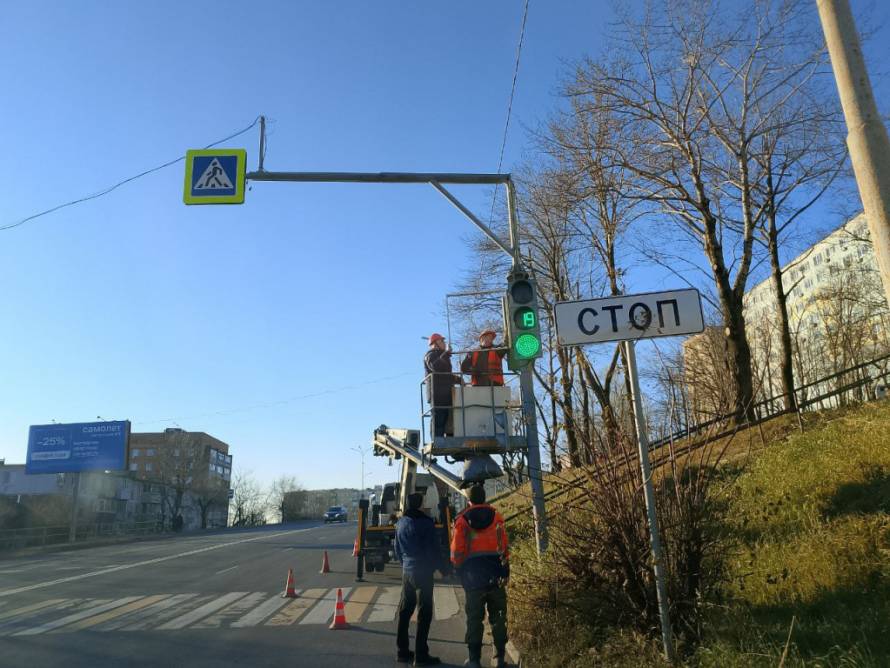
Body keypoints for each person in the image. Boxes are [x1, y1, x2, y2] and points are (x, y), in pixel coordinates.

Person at [450, 485, 510, 668]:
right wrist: (505, 570)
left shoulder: (462, 521)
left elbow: (456, 553)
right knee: (499, 617)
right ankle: (499, 658)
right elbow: (504, 547)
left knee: (475, 619)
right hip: (495, 576)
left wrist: (458, 569)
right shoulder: (497, 517)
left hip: (473, 579)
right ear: (484, 498)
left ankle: (474, 660)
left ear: (469, 501)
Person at [395, 492, 443, 666]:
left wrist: (405, 565)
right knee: (425, 612)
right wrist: (440, 568)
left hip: (407, 571)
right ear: (421, 504)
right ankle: (421, 655)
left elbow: (397, 549)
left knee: (405, 611)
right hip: (423, 571)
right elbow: (433, 549)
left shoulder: (400, 523)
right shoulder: (426, 523)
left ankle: (402, 651)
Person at [424, 333, 457, 437]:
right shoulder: (430, 355)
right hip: (437, 394)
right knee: (439, 419)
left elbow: (446, 375)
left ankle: (450, 438)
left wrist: (458, 379)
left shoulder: (444, 356)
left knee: (449, 418)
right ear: (435, 343)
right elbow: (435, 367)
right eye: (442, 341)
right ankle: (437, 439)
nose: (444, 343)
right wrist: (446, 354)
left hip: (446, 392)